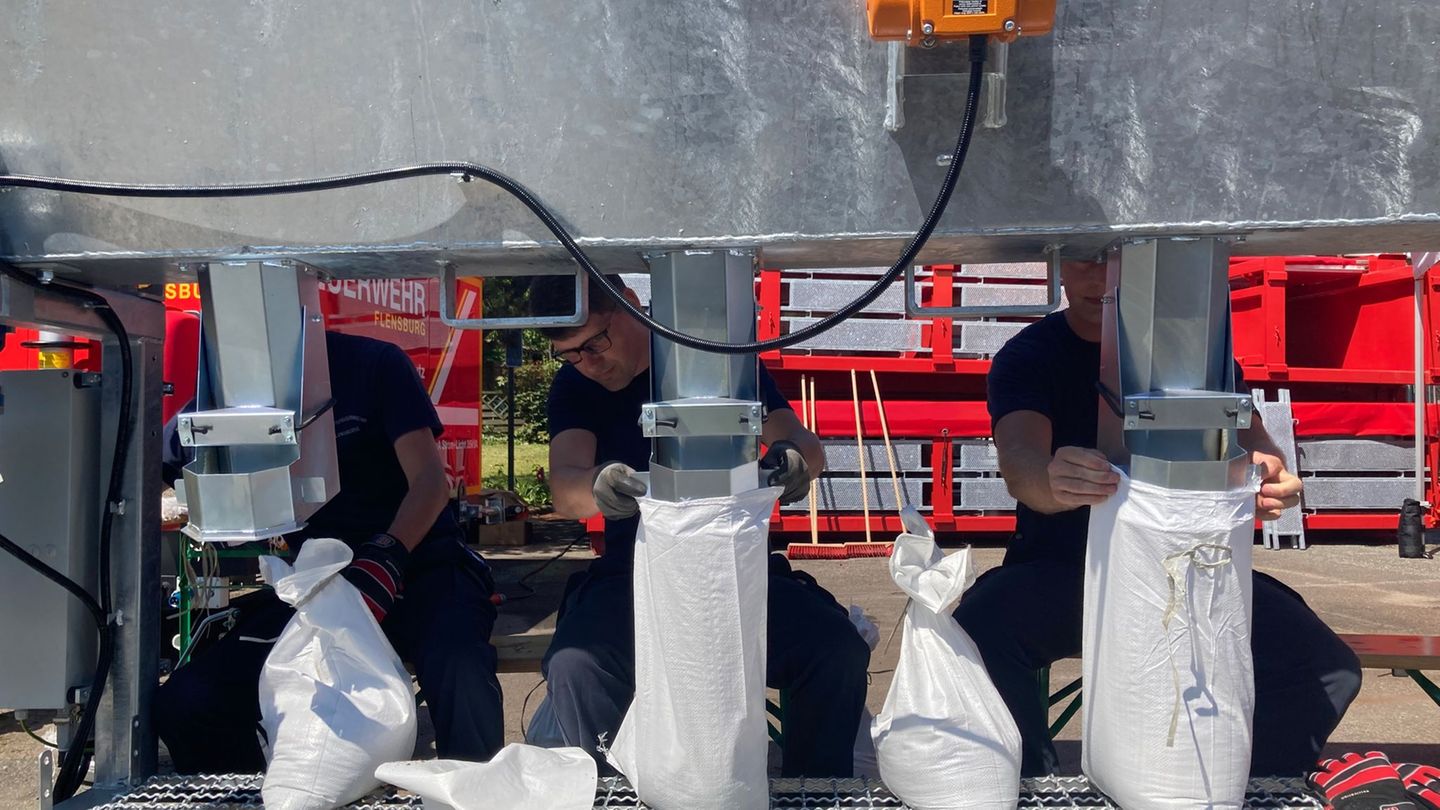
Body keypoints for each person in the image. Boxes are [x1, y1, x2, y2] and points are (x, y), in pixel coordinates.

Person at [954, 258, 1363, 777]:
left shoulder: (1200, 358)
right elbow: (1020, 462)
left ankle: (1239, 787)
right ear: (1058, 267)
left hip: (1193, 569)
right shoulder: (1030, 354)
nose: (1100, 279)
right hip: (1069, 572)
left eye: (1115, 262)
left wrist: (1268, 475)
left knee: (1325, 668)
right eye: (1083, 259)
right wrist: (1052, 480)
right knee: (975, 631)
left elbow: (1258, 447)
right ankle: (1032, 786)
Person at [531, 274, 870, 777]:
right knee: (576, 667)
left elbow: (804, 443)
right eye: (571, 354)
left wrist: (796, 459)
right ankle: (608, 793)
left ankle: (813, 787)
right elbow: (566, 485)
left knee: (835, 651)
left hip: (738, 569)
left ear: (630, 304)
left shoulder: (716, 364)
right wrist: (598, 484)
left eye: (595, 343)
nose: (589, 363)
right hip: (635, 574)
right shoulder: (578, 386)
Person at [154, 330, 504, 773]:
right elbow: (154, 469)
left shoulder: (373, 364)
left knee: (460, 669)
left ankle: (479, 792)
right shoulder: (230, 389)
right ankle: (252, 796)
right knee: (188, 701)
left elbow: (431, 483)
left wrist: (386, 556)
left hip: (420, 569)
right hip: (318, 587)